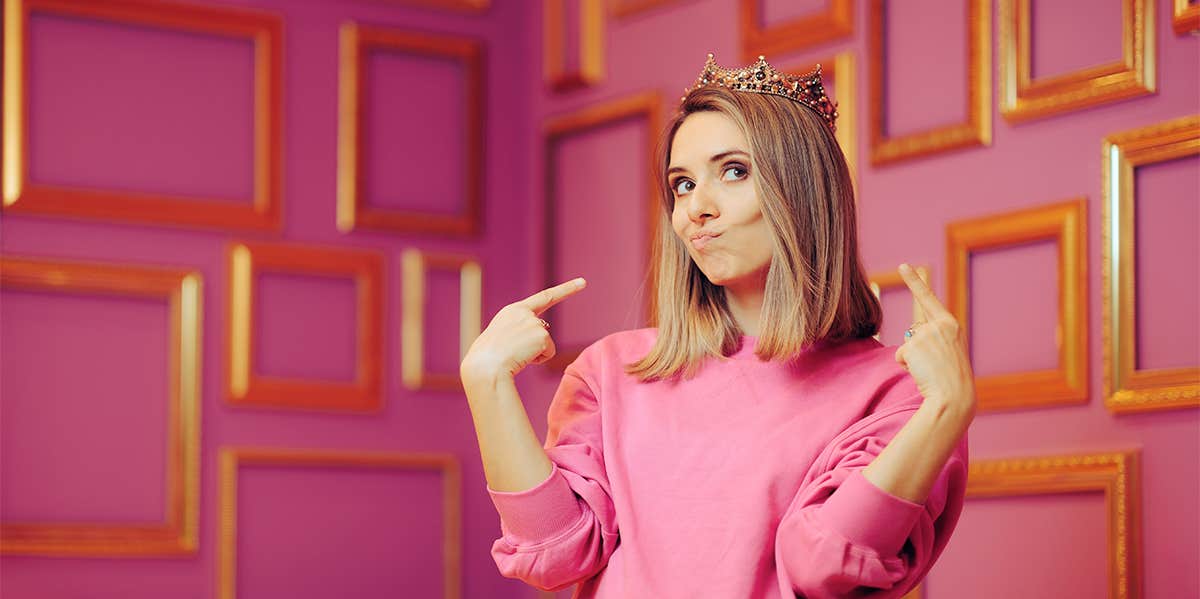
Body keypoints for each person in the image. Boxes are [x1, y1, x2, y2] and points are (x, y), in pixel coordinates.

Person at [459, 53, 976, 599]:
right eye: (681, 184)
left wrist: (944, 411)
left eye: (733, 171)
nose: (694, 209)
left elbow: (825, 566)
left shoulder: (890, 391)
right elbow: (559, 553)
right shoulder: (611, 371)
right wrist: (487, 383)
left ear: (802, 190)